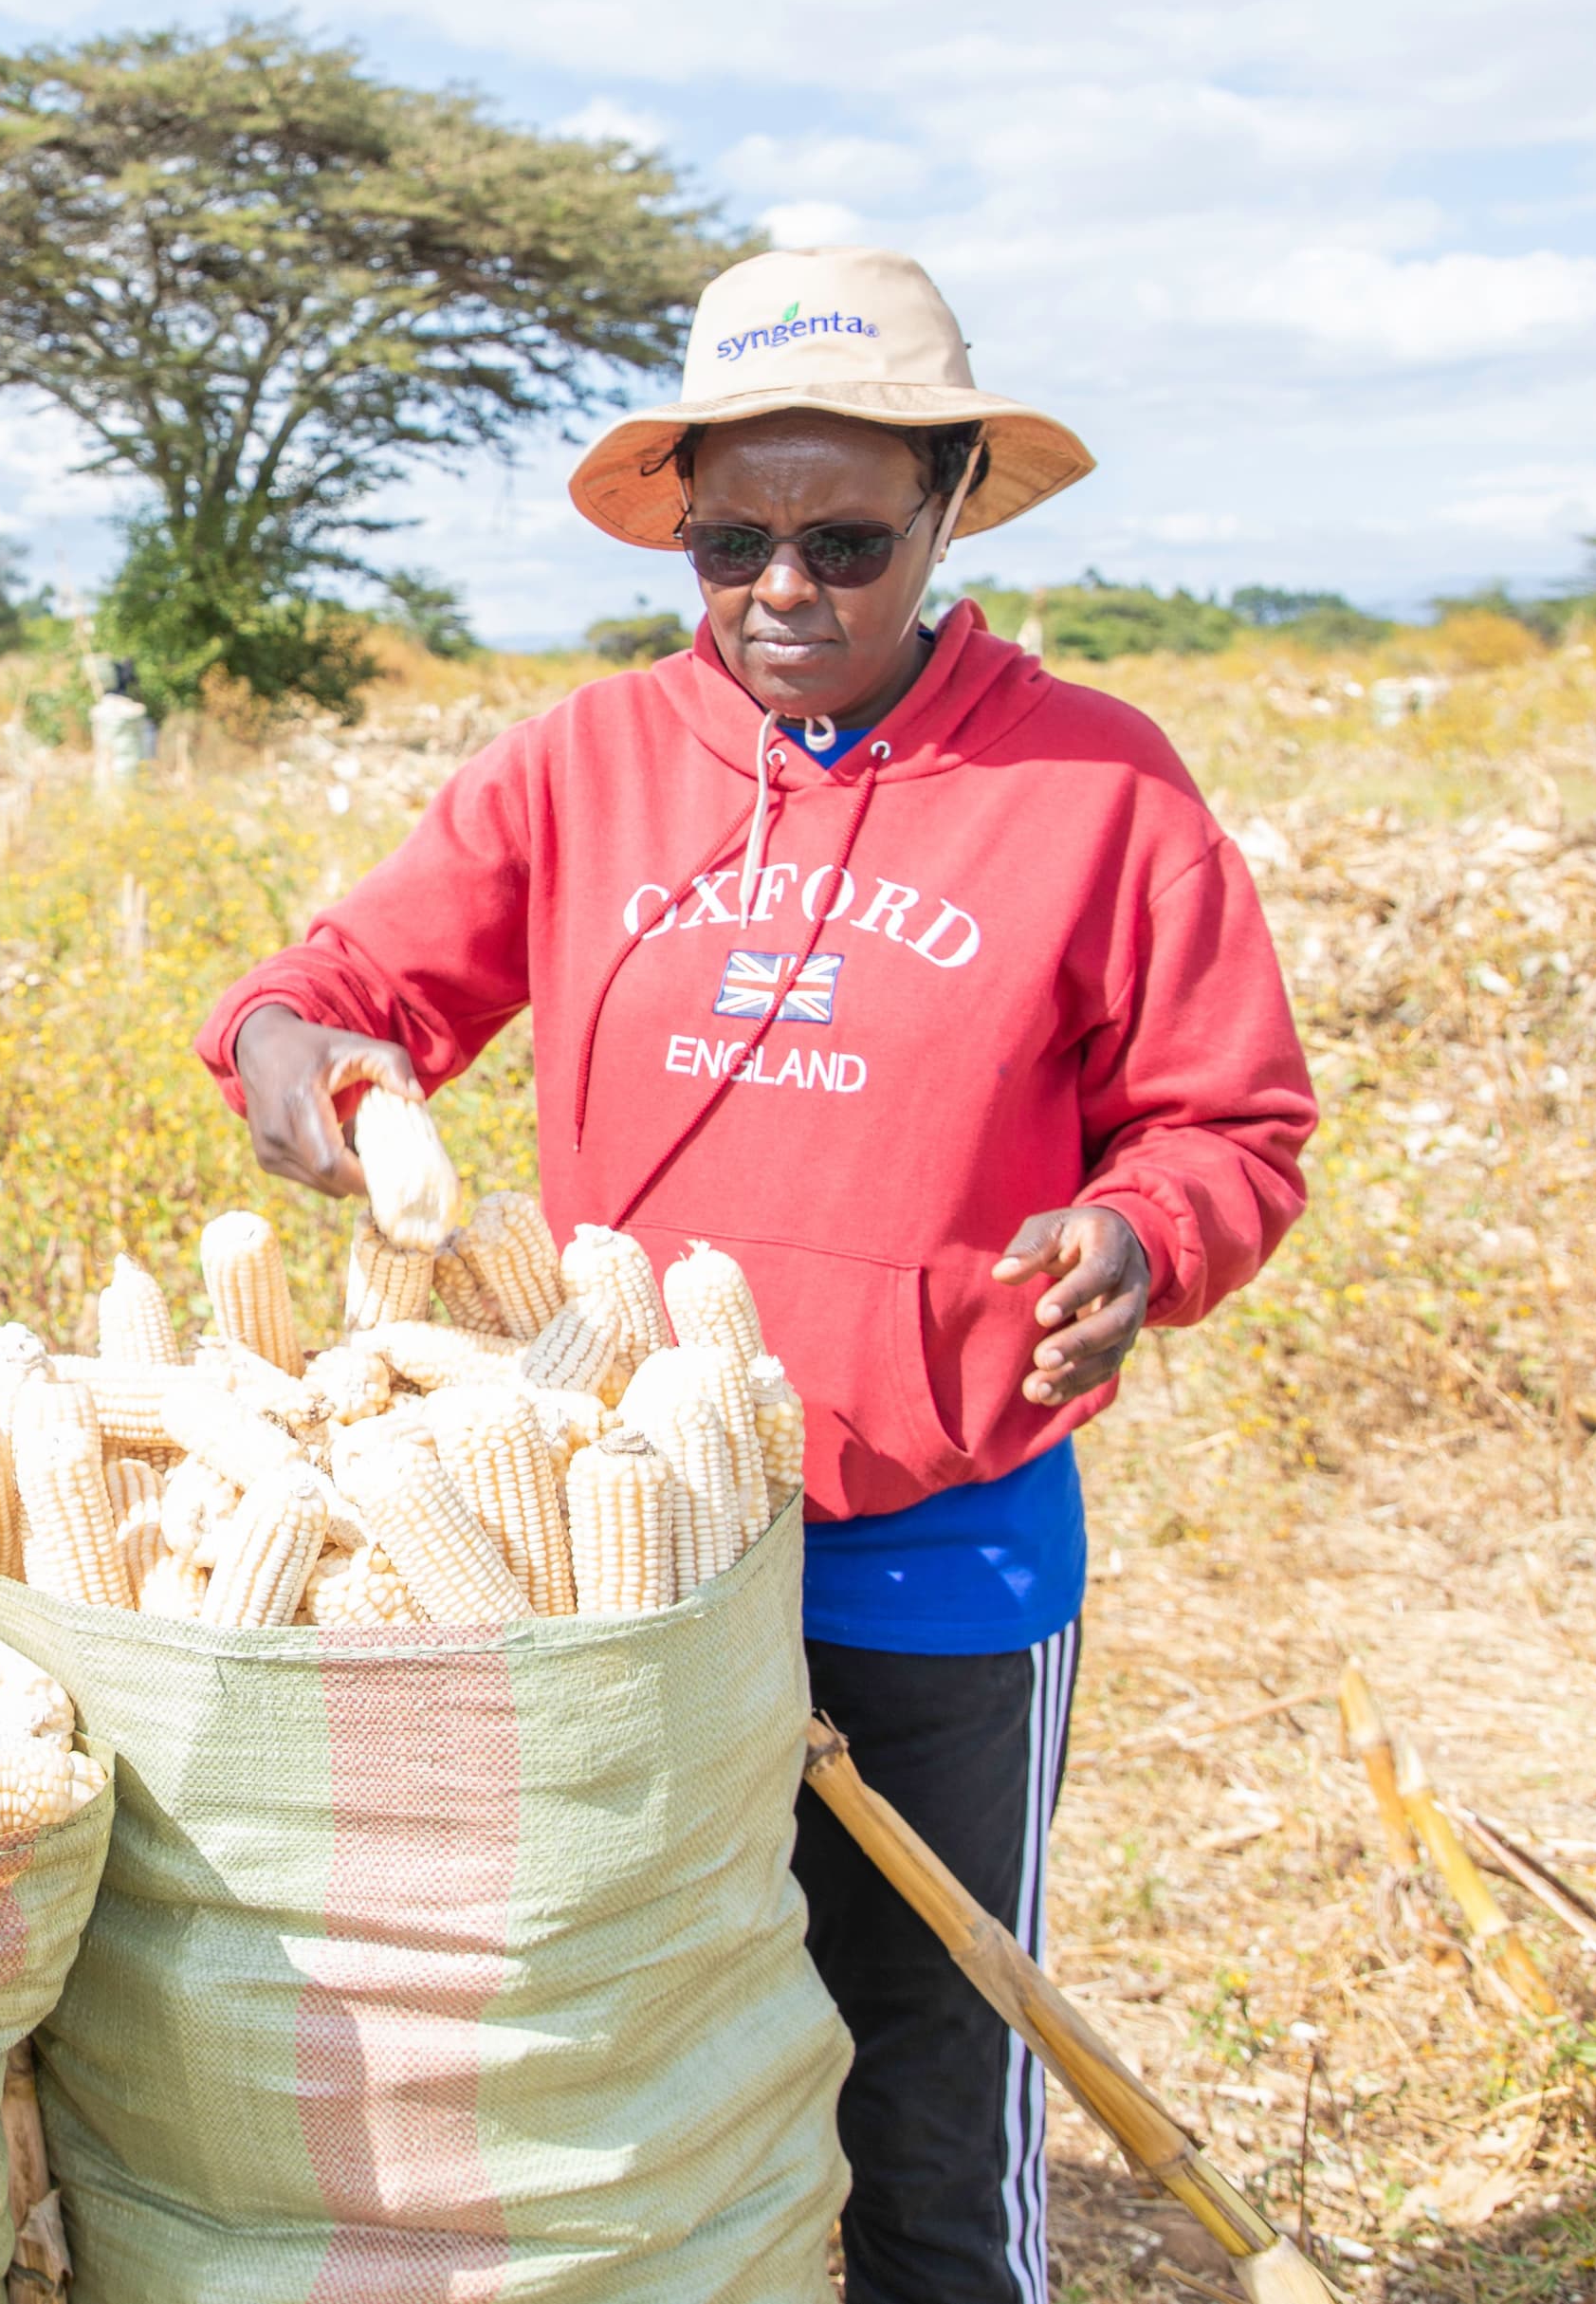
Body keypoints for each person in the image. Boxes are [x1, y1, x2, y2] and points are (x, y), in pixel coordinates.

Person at [199, 246, 1313, 2302]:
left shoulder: (1099, 789)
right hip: (612, 1560)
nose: (783, 590)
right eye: (732, 539)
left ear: (955, 504)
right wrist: (297, 1049)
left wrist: (1144, 1233)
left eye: (848, 539)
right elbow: (346, 982)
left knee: (921, 2077)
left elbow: (1231, 1124)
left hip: (932, 1551)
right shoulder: (584, 767)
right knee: (622, 2055)